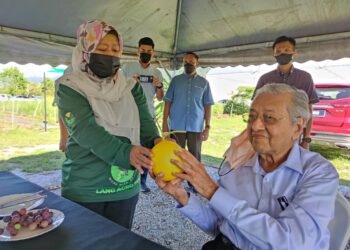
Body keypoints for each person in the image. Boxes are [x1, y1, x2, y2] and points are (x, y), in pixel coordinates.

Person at [155, 83, 338, 250]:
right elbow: (220, 225)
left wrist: (212, 190)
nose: (255, 126)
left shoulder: (319, 173)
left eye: (269, 118)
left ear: (297, 128)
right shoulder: (237, 164)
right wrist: (182, 196)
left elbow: (292, 243)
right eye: (252, 117)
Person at [56, 20, 161, 229]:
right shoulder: (69, 87)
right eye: (102, 48)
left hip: (125, 189)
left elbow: (146, 124)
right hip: (85, 188)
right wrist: (126, 153)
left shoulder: (131, 87)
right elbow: (86, 130)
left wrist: (159, 143)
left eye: (115, 50)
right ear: (85, 50)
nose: (110, 55)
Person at [253, 36, 319, 149]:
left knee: (289, 163)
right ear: (273, 54)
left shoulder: (304, 78)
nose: (282, 53)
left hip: (293, 133)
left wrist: (306, 139)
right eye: (278, 51)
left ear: (294, 52)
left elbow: (308, 110)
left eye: (286, 50)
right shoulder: (265, 79)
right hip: (267, 132)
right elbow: (255, 108)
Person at [162, 52, 214, 191]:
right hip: (176, 125)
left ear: (197, 64)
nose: (188, 64)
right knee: (175, 155)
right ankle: (174, 181)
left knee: (195, 156)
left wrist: (207, 126)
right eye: (185, 61)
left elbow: (207, 105)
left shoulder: (204, 83)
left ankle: (194, 184)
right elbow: (167, 102)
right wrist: (164, 124)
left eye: (191, 61)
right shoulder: (176, 81)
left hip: (196, 126)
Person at [122, 37, 164, 193]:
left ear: (153, 53)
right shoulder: (127, 68)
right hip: (129, 116)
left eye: (149, 51)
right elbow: (118, 90)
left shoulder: (156, 72)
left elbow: (160, 97)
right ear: (137, 50)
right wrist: (130, 82)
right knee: (130, 147)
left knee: (147, 150)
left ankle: (142, 181)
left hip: (148, 116)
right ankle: (128, 178)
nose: (146, 53)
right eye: (143, 50)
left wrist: (158, 85)